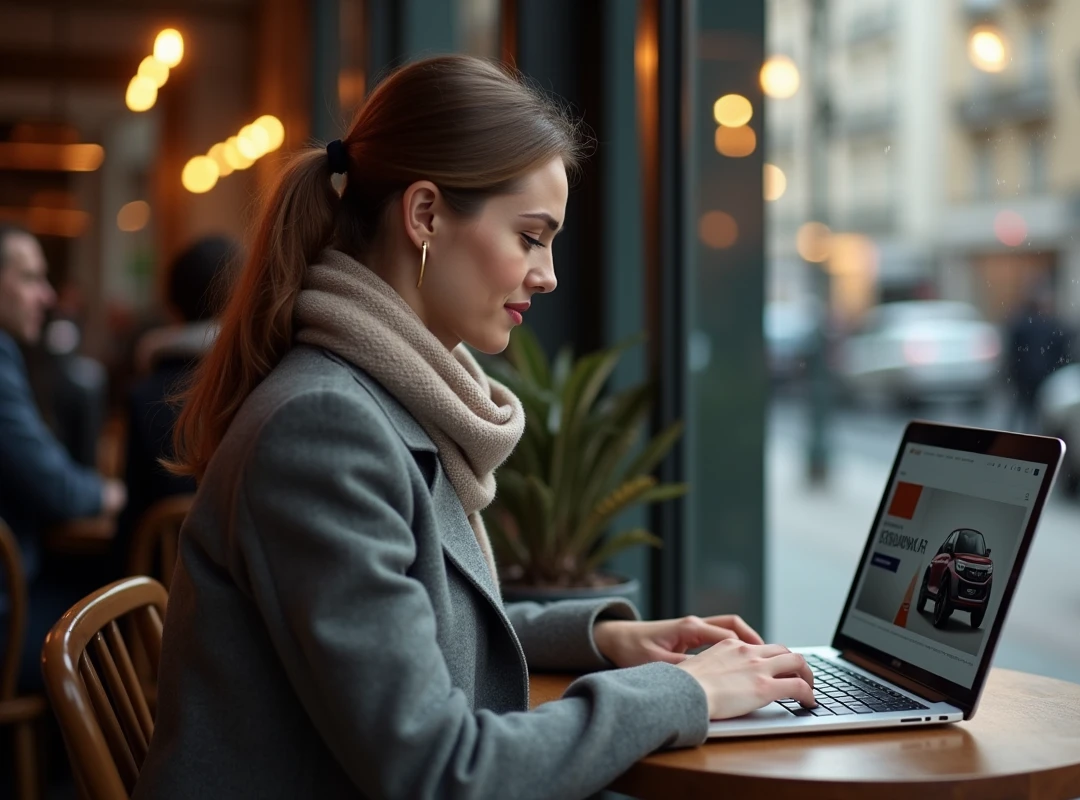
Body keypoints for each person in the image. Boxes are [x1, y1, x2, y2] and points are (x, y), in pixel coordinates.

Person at [134, 55, 815, 800]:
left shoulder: (377, 397)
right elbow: (438, 770)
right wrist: (688, 694)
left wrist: (603, 639)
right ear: (424, 213)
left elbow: (409, 631)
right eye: (530, 236)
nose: (548, 273)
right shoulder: (325, 427)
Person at [0, 223, 126, 692]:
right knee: (113, 632)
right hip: (7, 614)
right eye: (31, 278)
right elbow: (54, 487)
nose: (48, 296)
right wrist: (108, 491)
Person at [109, 235, 238, 582]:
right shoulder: (259, 382)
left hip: (158, 595)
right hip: (244, 591)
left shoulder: (143, 394)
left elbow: (133, 519)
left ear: (172, 307)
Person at [1005, 284, 1070, 433]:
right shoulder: (1052, 325)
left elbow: (1014, 352)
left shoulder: (1022, 324)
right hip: (1040, 376)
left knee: (1022, 412)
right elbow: (1061, 352)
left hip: (1027, 377)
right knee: (1035, 413)